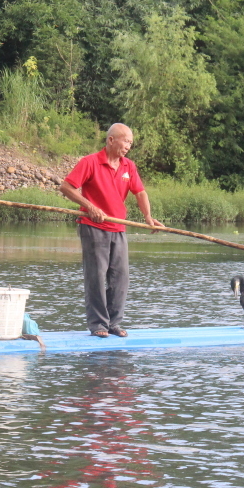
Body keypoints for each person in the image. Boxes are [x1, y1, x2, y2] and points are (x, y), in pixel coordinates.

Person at [60, 123, 162, 338]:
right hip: (93, 226)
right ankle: (98, 324)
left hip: (118, 227)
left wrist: (148, 217)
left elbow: (140, 192)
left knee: (120, 277)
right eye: (125, 141)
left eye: (131, 143)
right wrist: (90, 206)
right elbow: (66, 187)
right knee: (96, 276)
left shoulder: (128, 166)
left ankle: (114, 323)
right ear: (111, 140)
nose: (128, 146)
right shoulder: (90, 162)